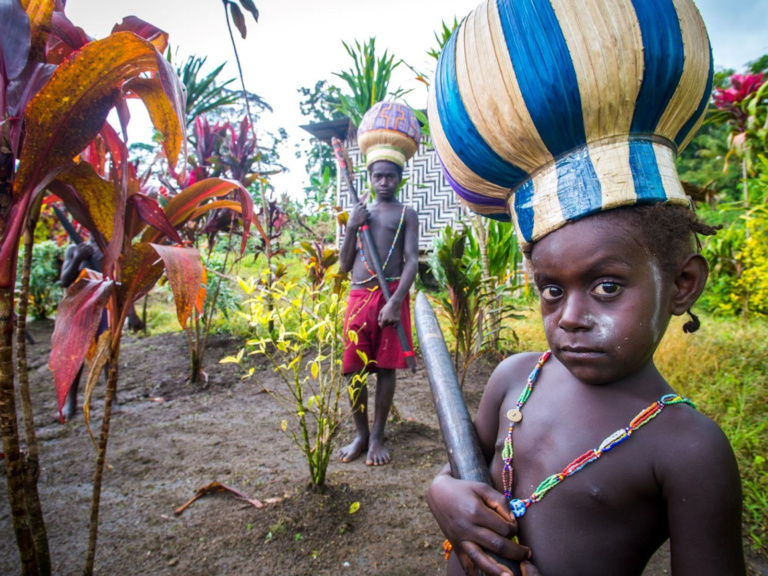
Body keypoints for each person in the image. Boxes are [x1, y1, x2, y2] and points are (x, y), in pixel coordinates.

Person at [424, 0, 746, 574]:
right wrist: (442, 494)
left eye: (606, 287)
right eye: (551, 290)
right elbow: (461, 469)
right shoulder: (514, 379)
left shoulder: (689, 448)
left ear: (682, 284)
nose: (570, 316)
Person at [337, 101, 420, 466]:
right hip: (359, 298)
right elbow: (344, 265)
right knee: (353, 369)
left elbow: (412, 260)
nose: (384, 182)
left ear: (399, 178)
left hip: (391, 297)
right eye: (378, 176)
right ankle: (360, 434)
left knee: (386, 369)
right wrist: (351, 227)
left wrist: (395, 302)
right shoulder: (360, 215)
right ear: (369, 178)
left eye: (390, 176)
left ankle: (378, 436)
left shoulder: (406, 214)